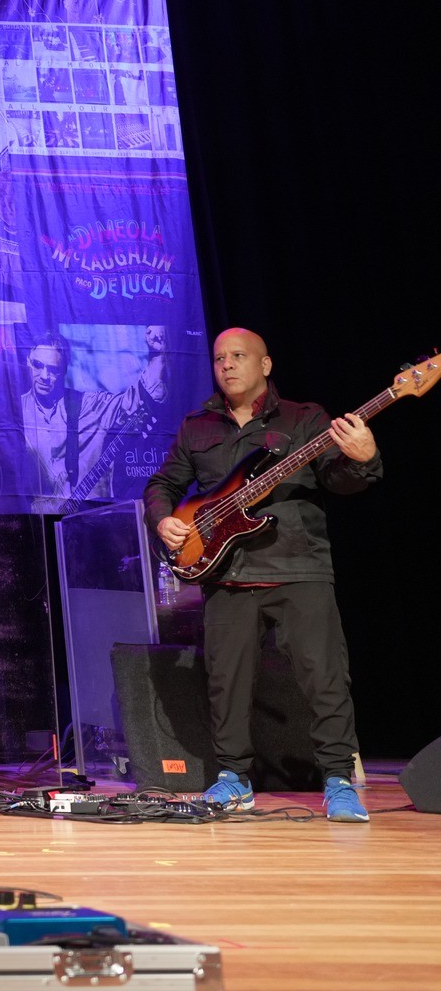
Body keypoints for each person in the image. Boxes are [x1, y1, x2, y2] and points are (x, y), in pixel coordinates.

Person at [143, 328, 379, 823]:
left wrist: (363, 459)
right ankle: (233, 778)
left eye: (238, 356)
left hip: (298, 567)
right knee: (225, 683)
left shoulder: (304, 418)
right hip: (225, 571)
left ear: (265, 365)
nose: (227, 365)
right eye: (219, 358)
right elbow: (163, 483)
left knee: (325, 678)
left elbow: (336, 478)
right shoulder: (197, 426)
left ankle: (338, 780)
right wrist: (164, 519)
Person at [18, 327, 167, 508]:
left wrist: (157, 356)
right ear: (28, 362)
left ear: (64, 370)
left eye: (53, 369)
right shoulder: (16, 410)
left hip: (90, 516)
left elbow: (137, 399)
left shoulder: (89, 405)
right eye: (37, 365)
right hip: (39, 519)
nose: (44, 376)